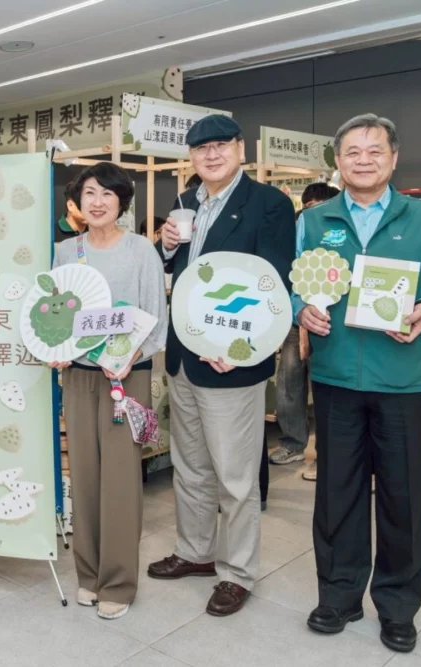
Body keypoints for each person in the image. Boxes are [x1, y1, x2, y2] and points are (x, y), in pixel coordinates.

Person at [297, 114, 421, 653]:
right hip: (333, 378)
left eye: (375, 150)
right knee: (337, 494)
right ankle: (339, 596)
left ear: (394, 159)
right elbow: (285, 282)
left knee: (403, 498)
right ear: (338, 161)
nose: (364, 159)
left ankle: (398, 607)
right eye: (352, 151)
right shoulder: (313, 220)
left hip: (402, 380)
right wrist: (299, 309)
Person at [146, 115, 295, 617]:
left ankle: (237, 572)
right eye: (200, 149)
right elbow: (174, 269)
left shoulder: (269, 204)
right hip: (186, 356)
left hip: (232, 361)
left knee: (235, 476)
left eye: (220, 146)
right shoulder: (187, 202)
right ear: (190, 157)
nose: (210, 155)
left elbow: (269, 282)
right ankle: (195, 553)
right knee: (190, 467)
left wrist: (238, 347)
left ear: (240, 149)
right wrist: (166, 244)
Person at [51, 162, 168, 620]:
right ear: (76, 201)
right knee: (83, 472)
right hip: (78, 377)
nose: (97, 202)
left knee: (120, 478)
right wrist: (55, 348)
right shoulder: (65, 252)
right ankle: (87, 574)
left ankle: (118, 581)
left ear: (122, 200)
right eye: (89, 193)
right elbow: (55, 314)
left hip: (125, 377)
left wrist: (127, 357)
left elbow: (155, 321)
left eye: (106, 194)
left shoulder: (142, 250)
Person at [271, 183, 340, 471]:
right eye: (309, 207)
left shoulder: (341, 234)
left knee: (329, 387)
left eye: (321, 207)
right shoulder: (296, 230)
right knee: (289, 383)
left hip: (332, 320)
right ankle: (292, 442)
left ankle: (330, 448)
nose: (313, 215)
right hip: (295, 318)